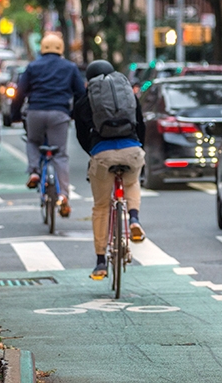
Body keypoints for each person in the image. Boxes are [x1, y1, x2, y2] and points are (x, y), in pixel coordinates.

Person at [74, 59, 146, 280]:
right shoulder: (127, 94)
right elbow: (141, 124)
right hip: (132, 150)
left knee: (101, 207)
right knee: (132, 182)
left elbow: (81, 134)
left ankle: (100, 262)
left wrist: (93, 152)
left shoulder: (85, 100)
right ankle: (134, 219)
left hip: (102, 154)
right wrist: (138, 147)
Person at [10, 33, 85, 218]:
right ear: (61, 49)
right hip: (59, 113)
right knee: (59, 154)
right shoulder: (70, 67)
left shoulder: (33, 66)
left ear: (42, 48)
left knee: (33, 141)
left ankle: (35, 172)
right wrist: (74, 114)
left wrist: (13, 115)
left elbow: (20, 93)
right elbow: (81, 93)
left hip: (35, 112)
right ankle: (63, 195)